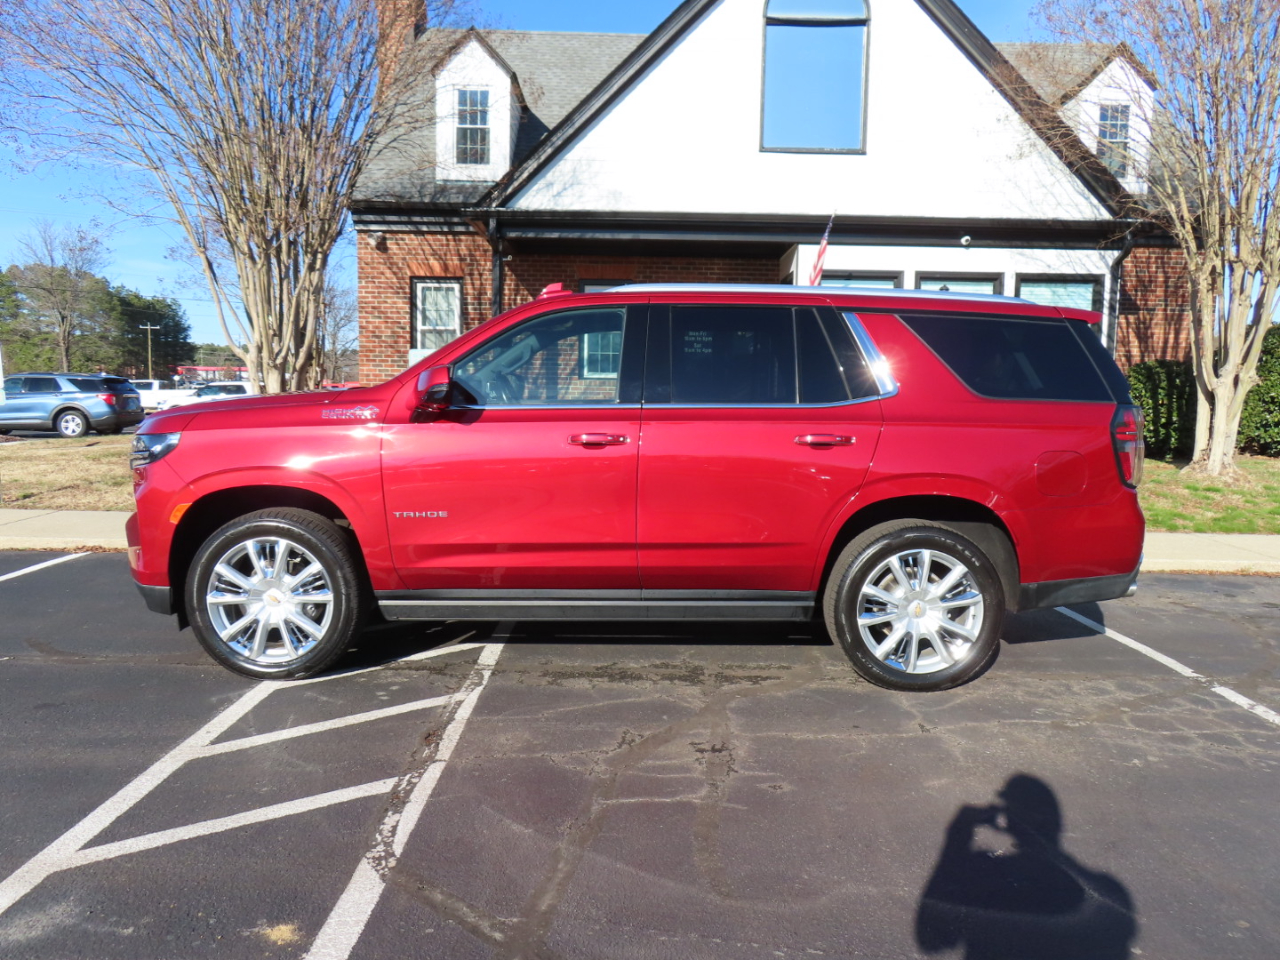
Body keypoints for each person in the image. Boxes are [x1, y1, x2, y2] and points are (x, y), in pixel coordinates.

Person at [916, 774, 1137, 959]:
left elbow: (931, 937)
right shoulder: (1107, 892)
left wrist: (957, 837)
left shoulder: (988, 877)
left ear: (1007, 821)